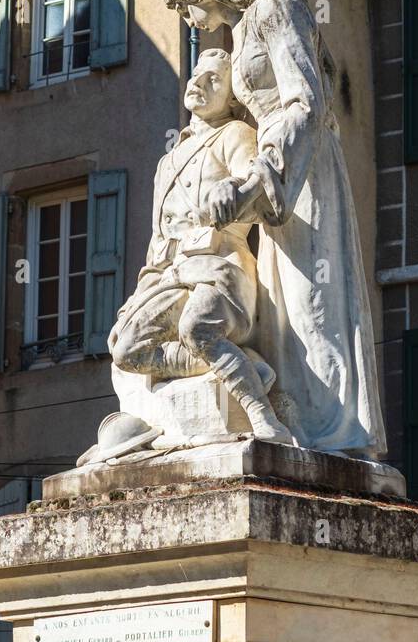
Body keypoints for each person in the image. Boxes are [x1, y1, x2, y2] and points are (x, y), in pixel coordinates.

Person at [161, 0, 387, 459]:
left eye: (187, 14)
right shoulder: (240, 32)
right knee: (283, 313)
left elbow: (304, 102)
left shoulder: (277, 6)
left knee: (315, 301)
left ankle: (338, 438)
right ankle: (301, 428)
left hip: (301, 165)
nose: (193, 26)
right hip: (272, 177)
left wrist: (259, 175)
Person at [108, 48, 292, 445]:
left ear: (231, 99)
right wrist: (140, 294)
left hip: (221, 265)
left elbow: (255, 179)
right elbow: (159, 241)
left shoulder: (236, 134)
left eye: (214, 81)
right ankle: (236, 365)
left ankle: (260, 413)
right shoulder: (167, 161)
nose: (198, 83)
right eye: (197, 75)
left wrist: (233, 185)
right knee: (126, 351)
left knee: (197, 328)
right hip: (170, 275)